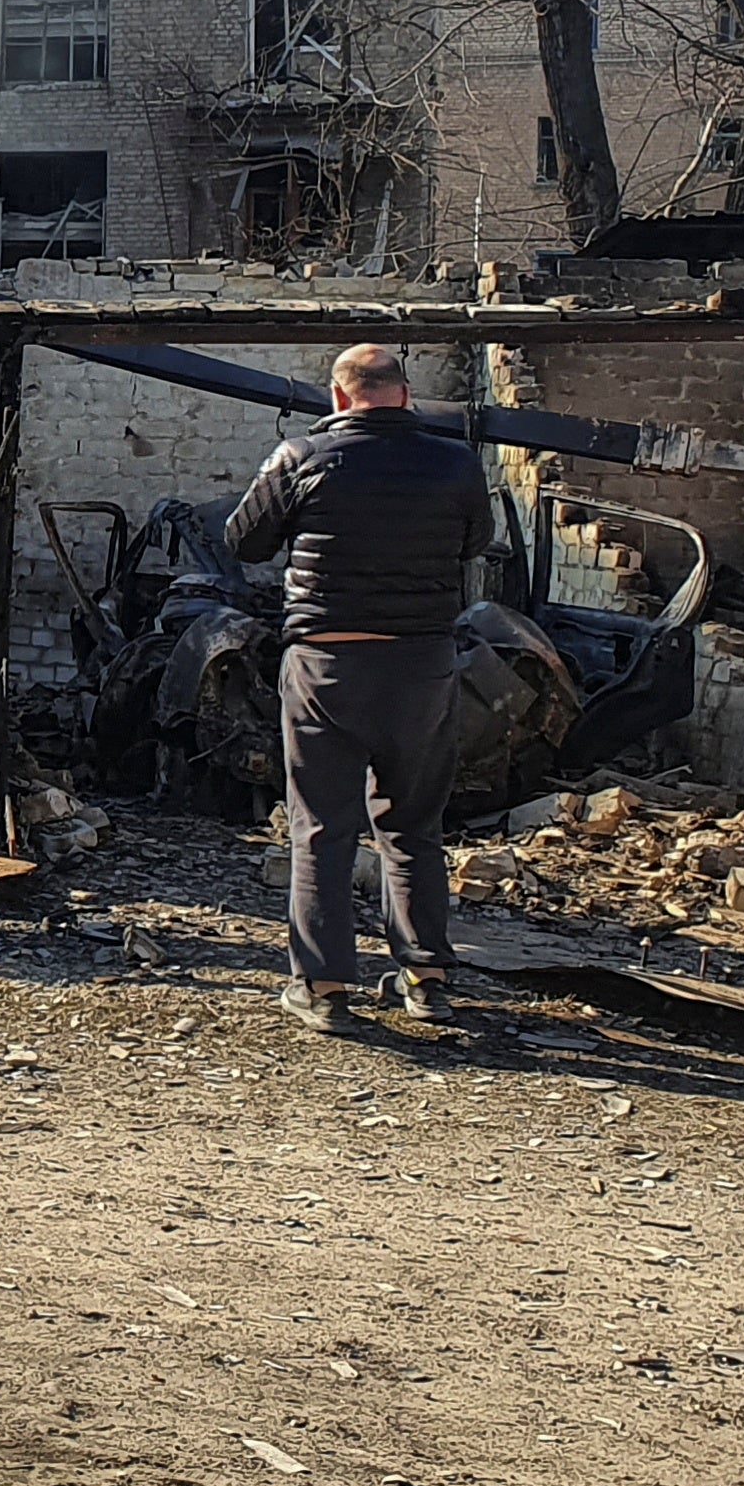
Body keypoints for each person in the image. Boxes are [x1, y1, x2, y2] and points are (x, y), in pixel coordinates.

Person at [223, 343, 492, 1034]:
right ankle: (426, 980)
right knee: (412, 826)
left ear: (339, 398)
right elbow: (473, 543)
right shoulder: (456, 463)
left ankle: (323, 988)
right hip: (422, 666)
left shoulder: (300, 457)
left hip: (326, 663)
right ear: (404, 394)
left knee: (320, 829)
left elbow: (243, 541)